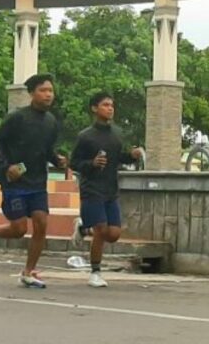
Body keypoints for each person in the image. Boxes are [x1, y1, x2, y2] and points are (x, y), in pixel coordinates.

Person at [0, 73, 67, 289]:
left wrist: (57, 159)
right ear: (32, 93)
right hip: (15, 181)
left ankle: (28, 271)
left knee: (41, 223)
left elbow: (47, 149)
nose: (48, 95)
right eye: (43, 90)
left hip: (38, 182)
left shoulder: (51, 122)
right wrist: (6, 166)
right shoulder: (17, 117)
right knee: (19, 229)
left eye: (50, 90)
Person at [70, 91, 142, 288]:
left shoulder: (117, 134)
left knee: (114, 234)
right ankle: (95, 271)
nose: (110, 108)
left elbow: (118, 157)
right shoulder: (85, 136)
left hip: (110, 189)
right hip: (91, 188)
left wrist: (132, 156)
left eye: (112, 105)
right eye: (105, 105)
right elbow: (74, 163)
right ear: (94, 108)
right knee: (101, 230)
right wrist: (91, 164)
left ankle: (84, 227)